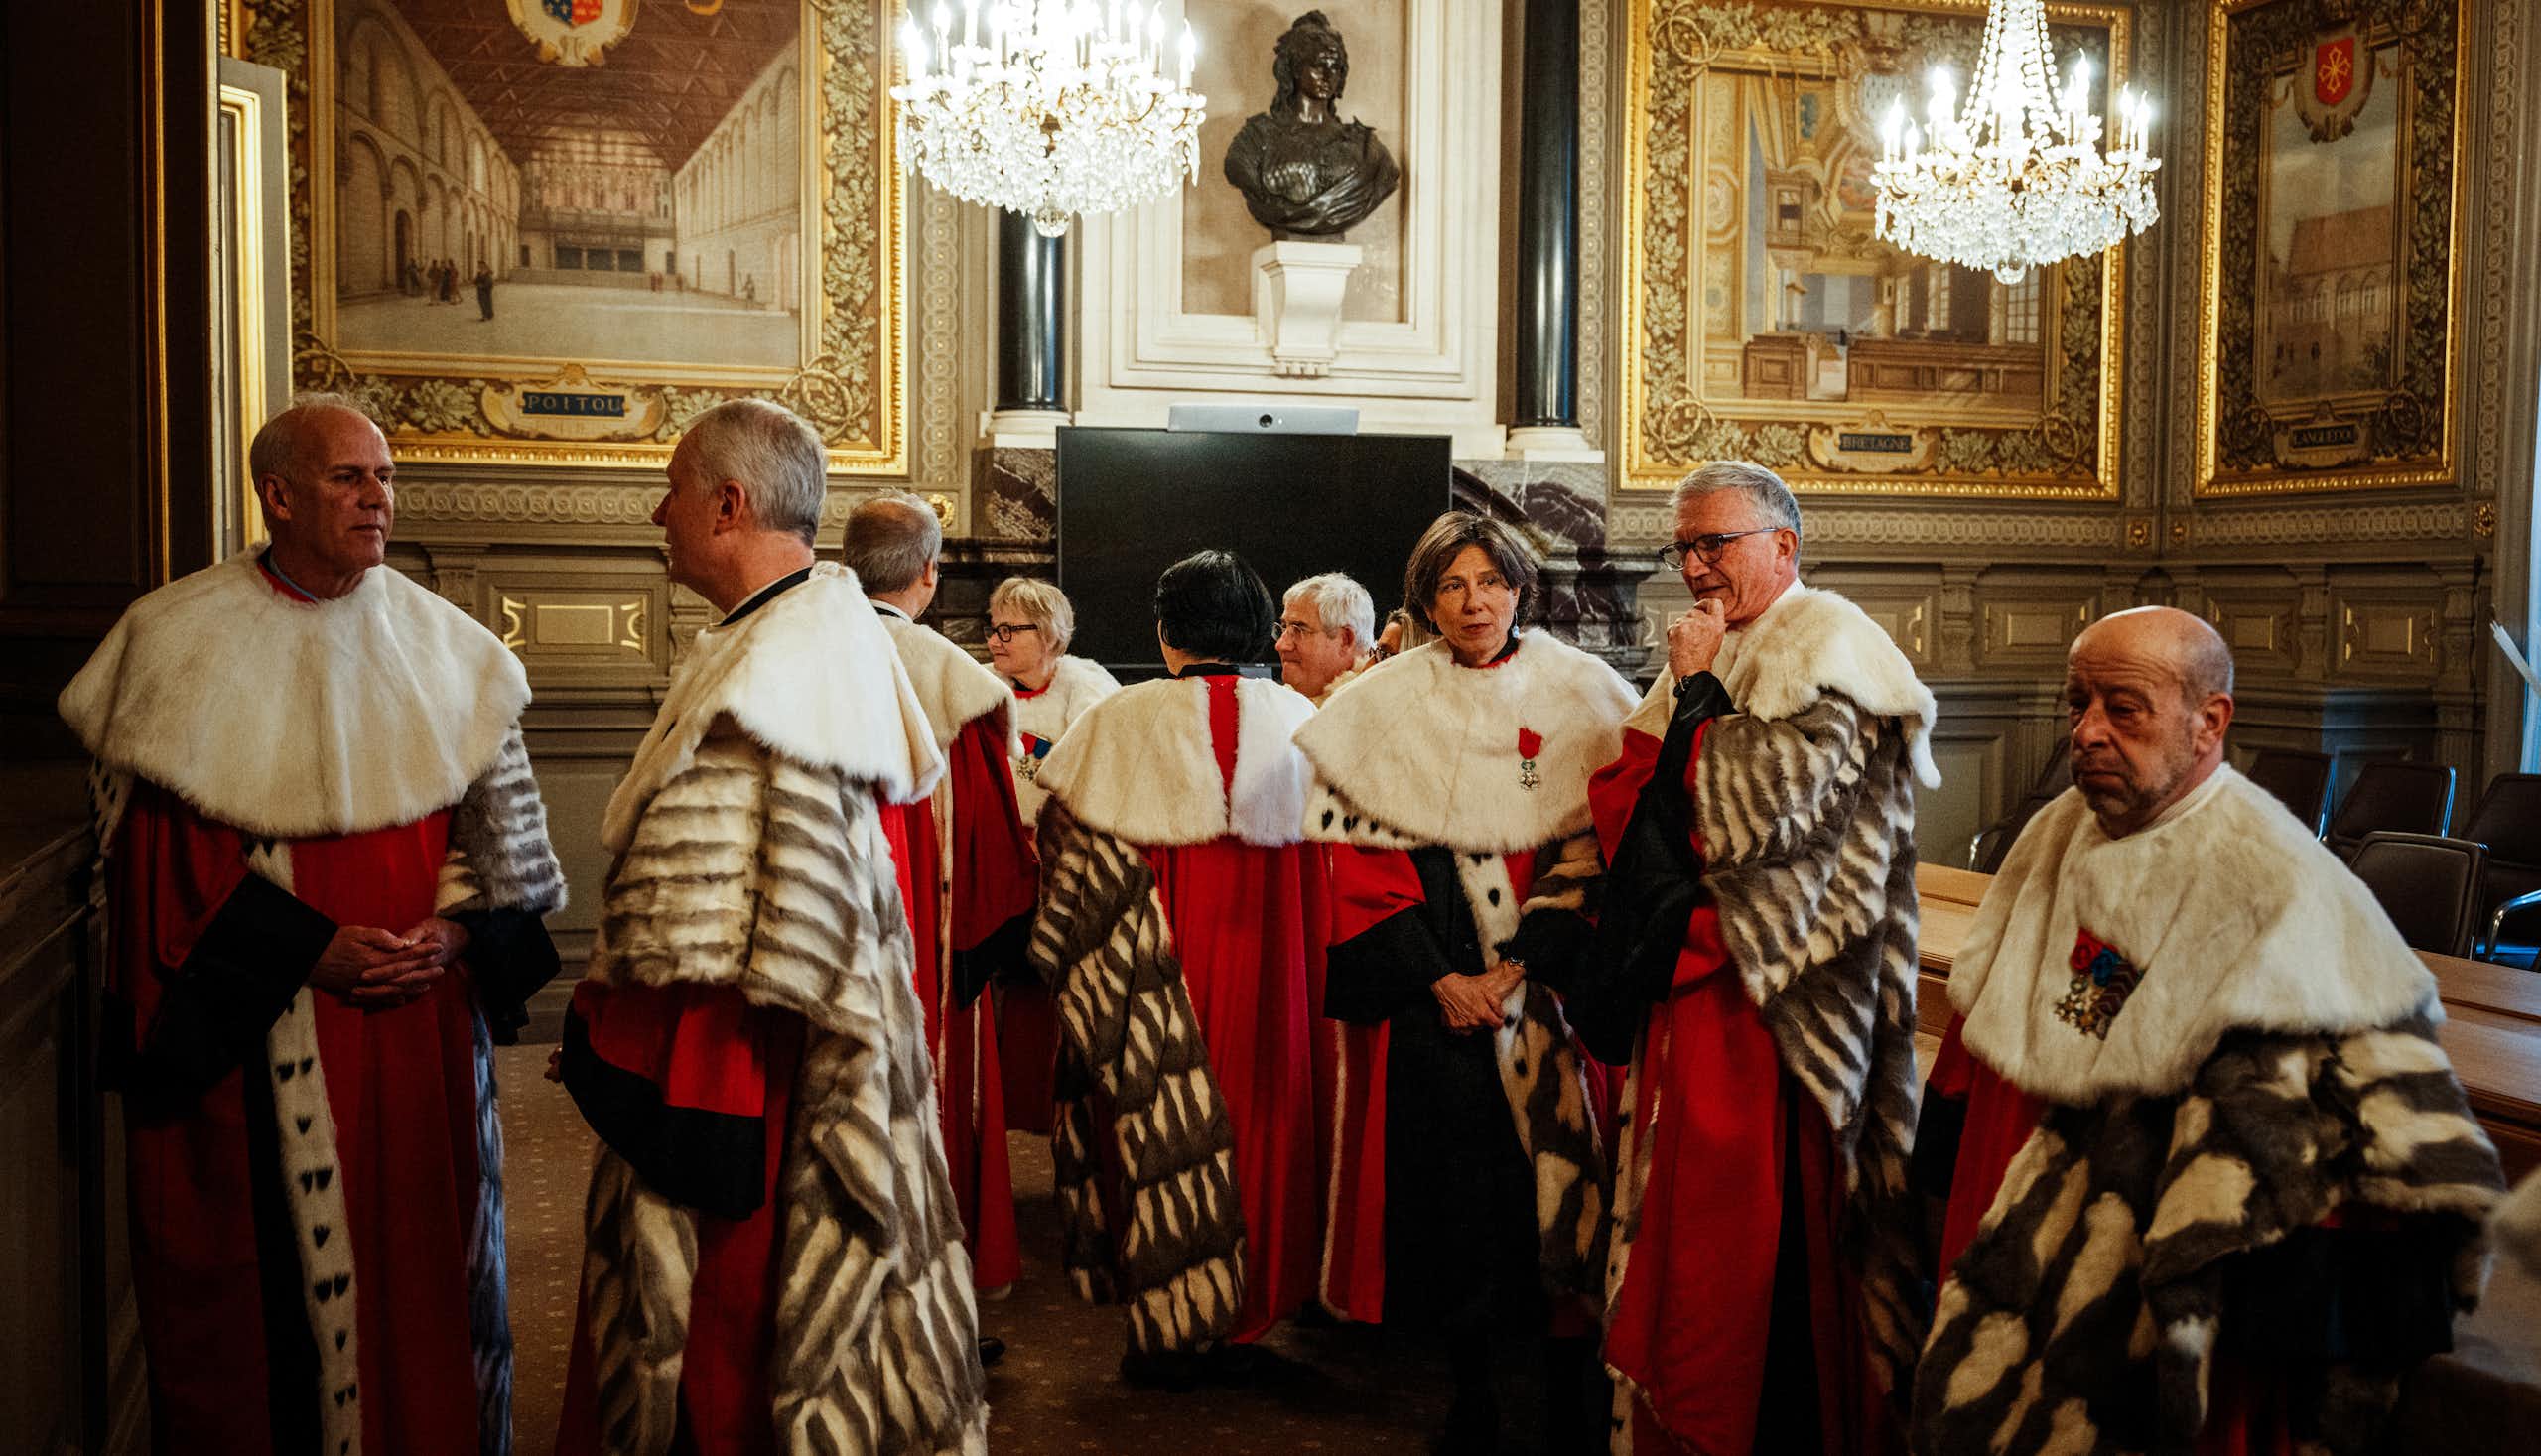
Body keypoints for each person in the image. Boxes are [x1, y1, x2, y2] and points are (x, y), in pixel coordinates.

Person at [58, 395, 566, 1456]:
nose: (378, 498)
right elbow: (162, 876)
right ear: (278, 495)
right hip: (266, 1042)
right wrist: (308, 949)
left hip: (420, 1033)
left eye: (384, 478)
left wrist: (459, 934)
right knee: (273, 1334)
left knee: (423, 1283)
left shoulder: (450, 646)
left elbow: (504, 841)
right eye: (350, 478)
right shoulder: (172, 640)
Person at [1913, 606, 2506, 1454]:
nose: (2086, 732)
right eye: (2076, 703)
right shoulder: (2054, 831)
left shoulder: (2277, 879)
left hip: (2145, 1295)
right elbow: (2003, 1037)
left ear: (2209, 720)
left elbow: (2348, 1152)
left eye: (2124, 707)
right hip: (2008, 1235)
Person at [556, 400, 986, 1456]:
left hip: (746, 1103)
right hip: (796, 1084)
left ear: (728, 504)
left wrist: (611, 1057)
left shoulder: (772, 680)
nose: (658, 512)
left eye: (672, 491)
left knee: (734, 1365)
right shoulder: (808, 632)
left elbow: (740, 965)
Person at [1568, 462, 1936, 1455]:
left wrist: (1696, 700)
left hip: (1788, 987)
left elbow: (1769, 812)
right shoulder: (1726, 644)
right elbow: (1632, 795)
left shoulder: (1835, 646)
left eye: (1714, 543)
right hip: (1706, 964)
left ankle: (1757, 1422)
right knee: (1695, 1228)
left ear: (1783, 544)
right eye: (1683, 547)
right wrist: (1686, 719)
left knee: (1766, 1242)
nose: (1695, 567)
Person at [1295, 510, 1636, 1454]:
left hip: (1547, 980)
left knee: (1562, 1180)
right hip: (1433, 984)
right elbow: (1357, 859)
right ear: (1426, 597)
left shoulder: (1585, 692)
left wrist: (1524, 966)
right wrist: (1442, 977)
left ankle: (1567, 1381)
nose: (1473, 600)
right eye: (1452, 584)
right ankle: (1471, 1388)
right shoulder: (1376, 701)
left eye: (1490, 580)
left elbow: (1600, 846)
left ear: (1521, 587)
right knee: (1457, 1199)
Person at [1029, 550, 1327, 1381]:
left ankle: (1166, 1313)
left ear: (1166, 635)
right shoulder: (1303, 719)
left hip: (1149, 965)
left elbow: (1063, 857)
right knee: (1262, 1116)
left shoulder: (1118, 720)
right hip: (1272, 967)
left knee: (1149, 1113)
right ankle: (1245, 1315)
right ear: (1262, 631)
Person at [842, 492, 1037, 1302]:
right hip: (930, 944)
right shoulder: (960, 681)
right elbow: (996, 850)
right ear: (930, 572)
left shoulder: (800, 649)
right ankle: (929, 1288)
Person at [985, 574, 1118, 1134]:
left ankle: (1067, 1111)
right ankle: (1007, 1108)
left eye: (1010, 629)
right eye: (993, 627)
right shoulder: (978, 686)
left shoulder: (1089, 688)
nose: (995, 640)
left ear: (1050, 635)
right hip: (1001, 862)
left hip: (1067, 866)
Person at [1276, 570, 1376, 703]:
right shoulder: (1277, 704)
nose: (1281, 645)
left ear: (1345, 640)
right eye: (1284, 627)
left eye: (1300, 629)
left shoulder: (1376, 707)